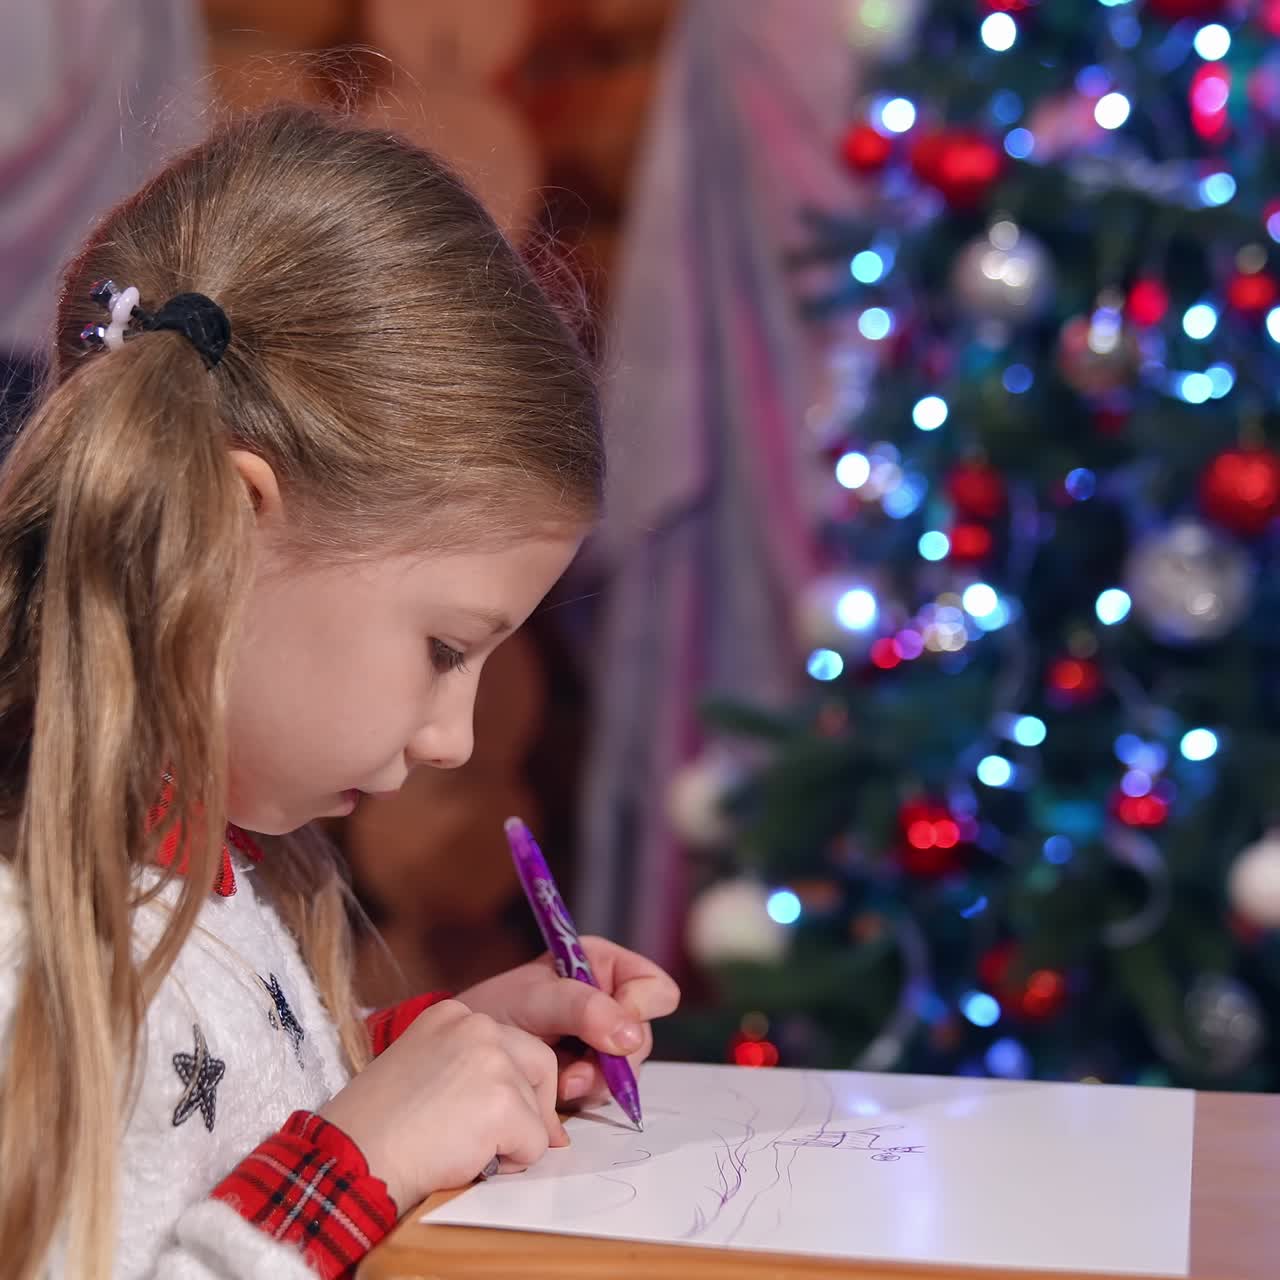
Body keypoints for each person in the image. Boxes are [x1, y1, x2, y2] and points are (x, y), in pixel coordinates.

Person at [0, 103, 679, 1280]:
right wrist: (348, 1170)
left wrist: (434, 1059)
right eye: (444, 647)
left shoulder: (202, 870)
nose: (456, 737)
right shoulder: (27, 947)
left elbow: (187, 1130)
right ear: (228, 528)